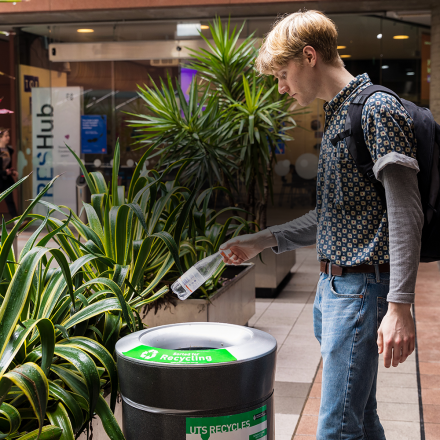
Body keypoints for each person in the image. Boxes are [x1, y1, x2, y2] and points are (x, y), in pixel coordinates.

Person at [220, 10, 422, 440]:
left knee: (335, 428)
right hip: (333, 291)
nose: (281, 87)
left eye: (282, 73)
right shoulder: (337, 114)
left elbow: (406, 211)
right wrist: (264, 240)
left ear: (308, 56)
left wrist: (401, 305)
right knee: (361, 418)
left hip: (362, 291)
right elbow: (331, 216)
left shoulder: (376, 110)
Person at [0, 127, 19, 219]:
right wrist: (4, 172)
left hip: (6, 179)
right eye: (6, 136)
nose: (8, 137)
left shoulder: (9, 150)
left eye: (8, 135)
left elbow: (8, 166)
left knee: (9, 200)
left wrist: (12, 172)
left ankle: (16, 221)